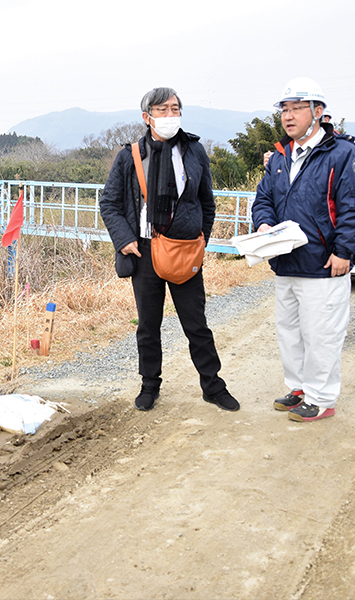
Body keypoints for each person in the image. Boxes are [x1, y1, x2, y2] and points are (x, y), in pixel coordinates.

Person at [99, 87, 239, 413]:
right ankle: (149, 385)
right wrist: (124, 239)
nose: (170, 115)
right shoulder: (131, 156)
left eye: (175, 108)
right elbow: (109, 203)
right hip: (145, 251)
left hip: (185, 249)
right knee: (148, 325)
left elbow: (206, 201)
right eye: (162, 110)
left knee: (196, 323)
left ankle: (213, 386)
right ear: (147, 117)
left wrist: (201, 239)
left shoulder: (193, 151)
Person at [252, 77, 355, 422]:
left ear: (318, 111)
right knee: (289, 331)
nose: (288, 116)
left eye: (297, 108)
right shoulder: (280, 156)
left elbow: (354, 207)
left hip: (323, 262)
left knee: (322, 334)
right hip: (286, 260)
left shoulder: (342, 154)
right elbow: (264, 198)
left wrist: (344, 251)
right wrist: (264, 225)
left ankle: (322, 397)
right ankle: (300, 387)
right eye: (284, 110)